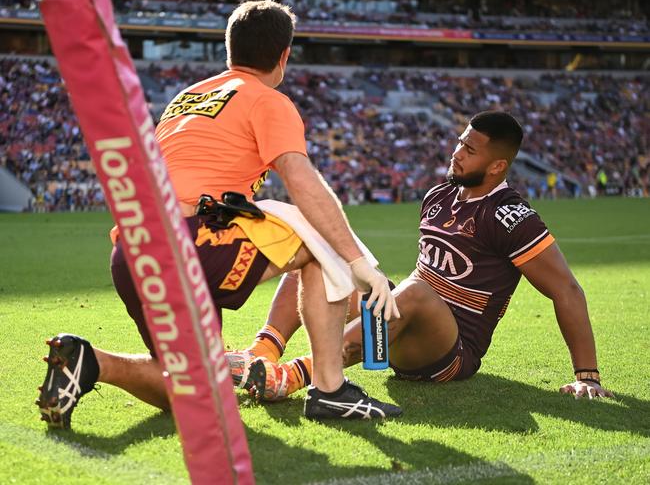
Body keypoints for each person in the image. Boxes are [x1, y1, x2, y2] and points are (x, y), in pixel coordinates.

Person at [36, 0, 401, 429]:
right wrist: (359, 263)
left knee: (200, 390)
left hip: (133, 253)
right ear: (284, 56)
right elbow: (301, 178)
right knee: (321, 243)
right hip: (193, 242)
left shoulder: (186, 98)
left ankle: (92, 362)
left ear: (230, 50)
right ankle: (330, 389)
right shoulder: (267, 100)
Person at [229, 111, 614, 402]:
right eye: (460, 142)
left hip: (450, 352)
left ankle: (294, 376)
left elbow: (566, 289)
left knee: (415, 292)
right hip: (404, 317)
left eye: (470, 150)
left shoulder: (510, 216)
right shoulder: (438, 195)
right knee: (318, 257)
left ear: (498, 166)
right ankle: (261, 351)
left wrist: (588, 376)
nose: (457, 153)